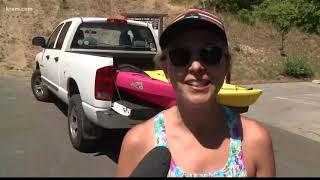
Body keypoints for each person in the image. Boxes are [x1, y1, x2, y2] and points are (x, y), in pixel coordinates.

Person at [116, 9, 275, 177]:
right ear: (165, 68)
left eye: (210, 53)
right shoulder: (138, 142)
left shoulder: (255, 140)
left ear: (227, 65)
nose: (196, 66)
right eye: (180, 55)